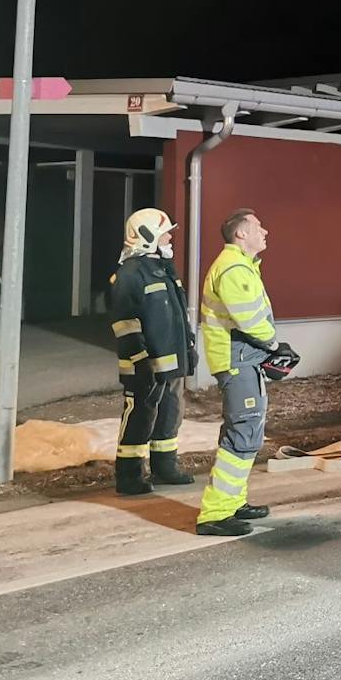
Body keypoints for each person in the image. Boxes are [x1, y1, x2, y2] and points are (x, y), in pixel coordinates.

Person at [196, 209, 298, 536]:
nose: (265, 231)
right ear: (241, 234)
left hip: (242, 359)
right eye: (257, 227)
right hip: (237, 360)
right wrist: (273, 346)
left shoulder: (242, 266)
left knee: (246, 430)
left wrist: (270, 349)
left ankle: (233, 502)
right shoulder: (233, 268)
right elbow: (249, 320)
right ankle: (215, 514)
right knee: (243, 433)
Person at [108, 209, 196, 495]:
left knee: (170, 412)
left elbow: (178, 315)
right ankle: (129, 475)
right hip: (144, 366)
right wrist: (140, 359)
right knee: (140, 416)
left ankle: (165, 466)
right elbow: (125, 324)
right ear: (147, 236)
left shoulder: (163, 269)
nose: (169, 237)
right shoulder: (130, 274)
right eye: (164, 233)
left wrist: (189, 346)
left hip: (170, 364)